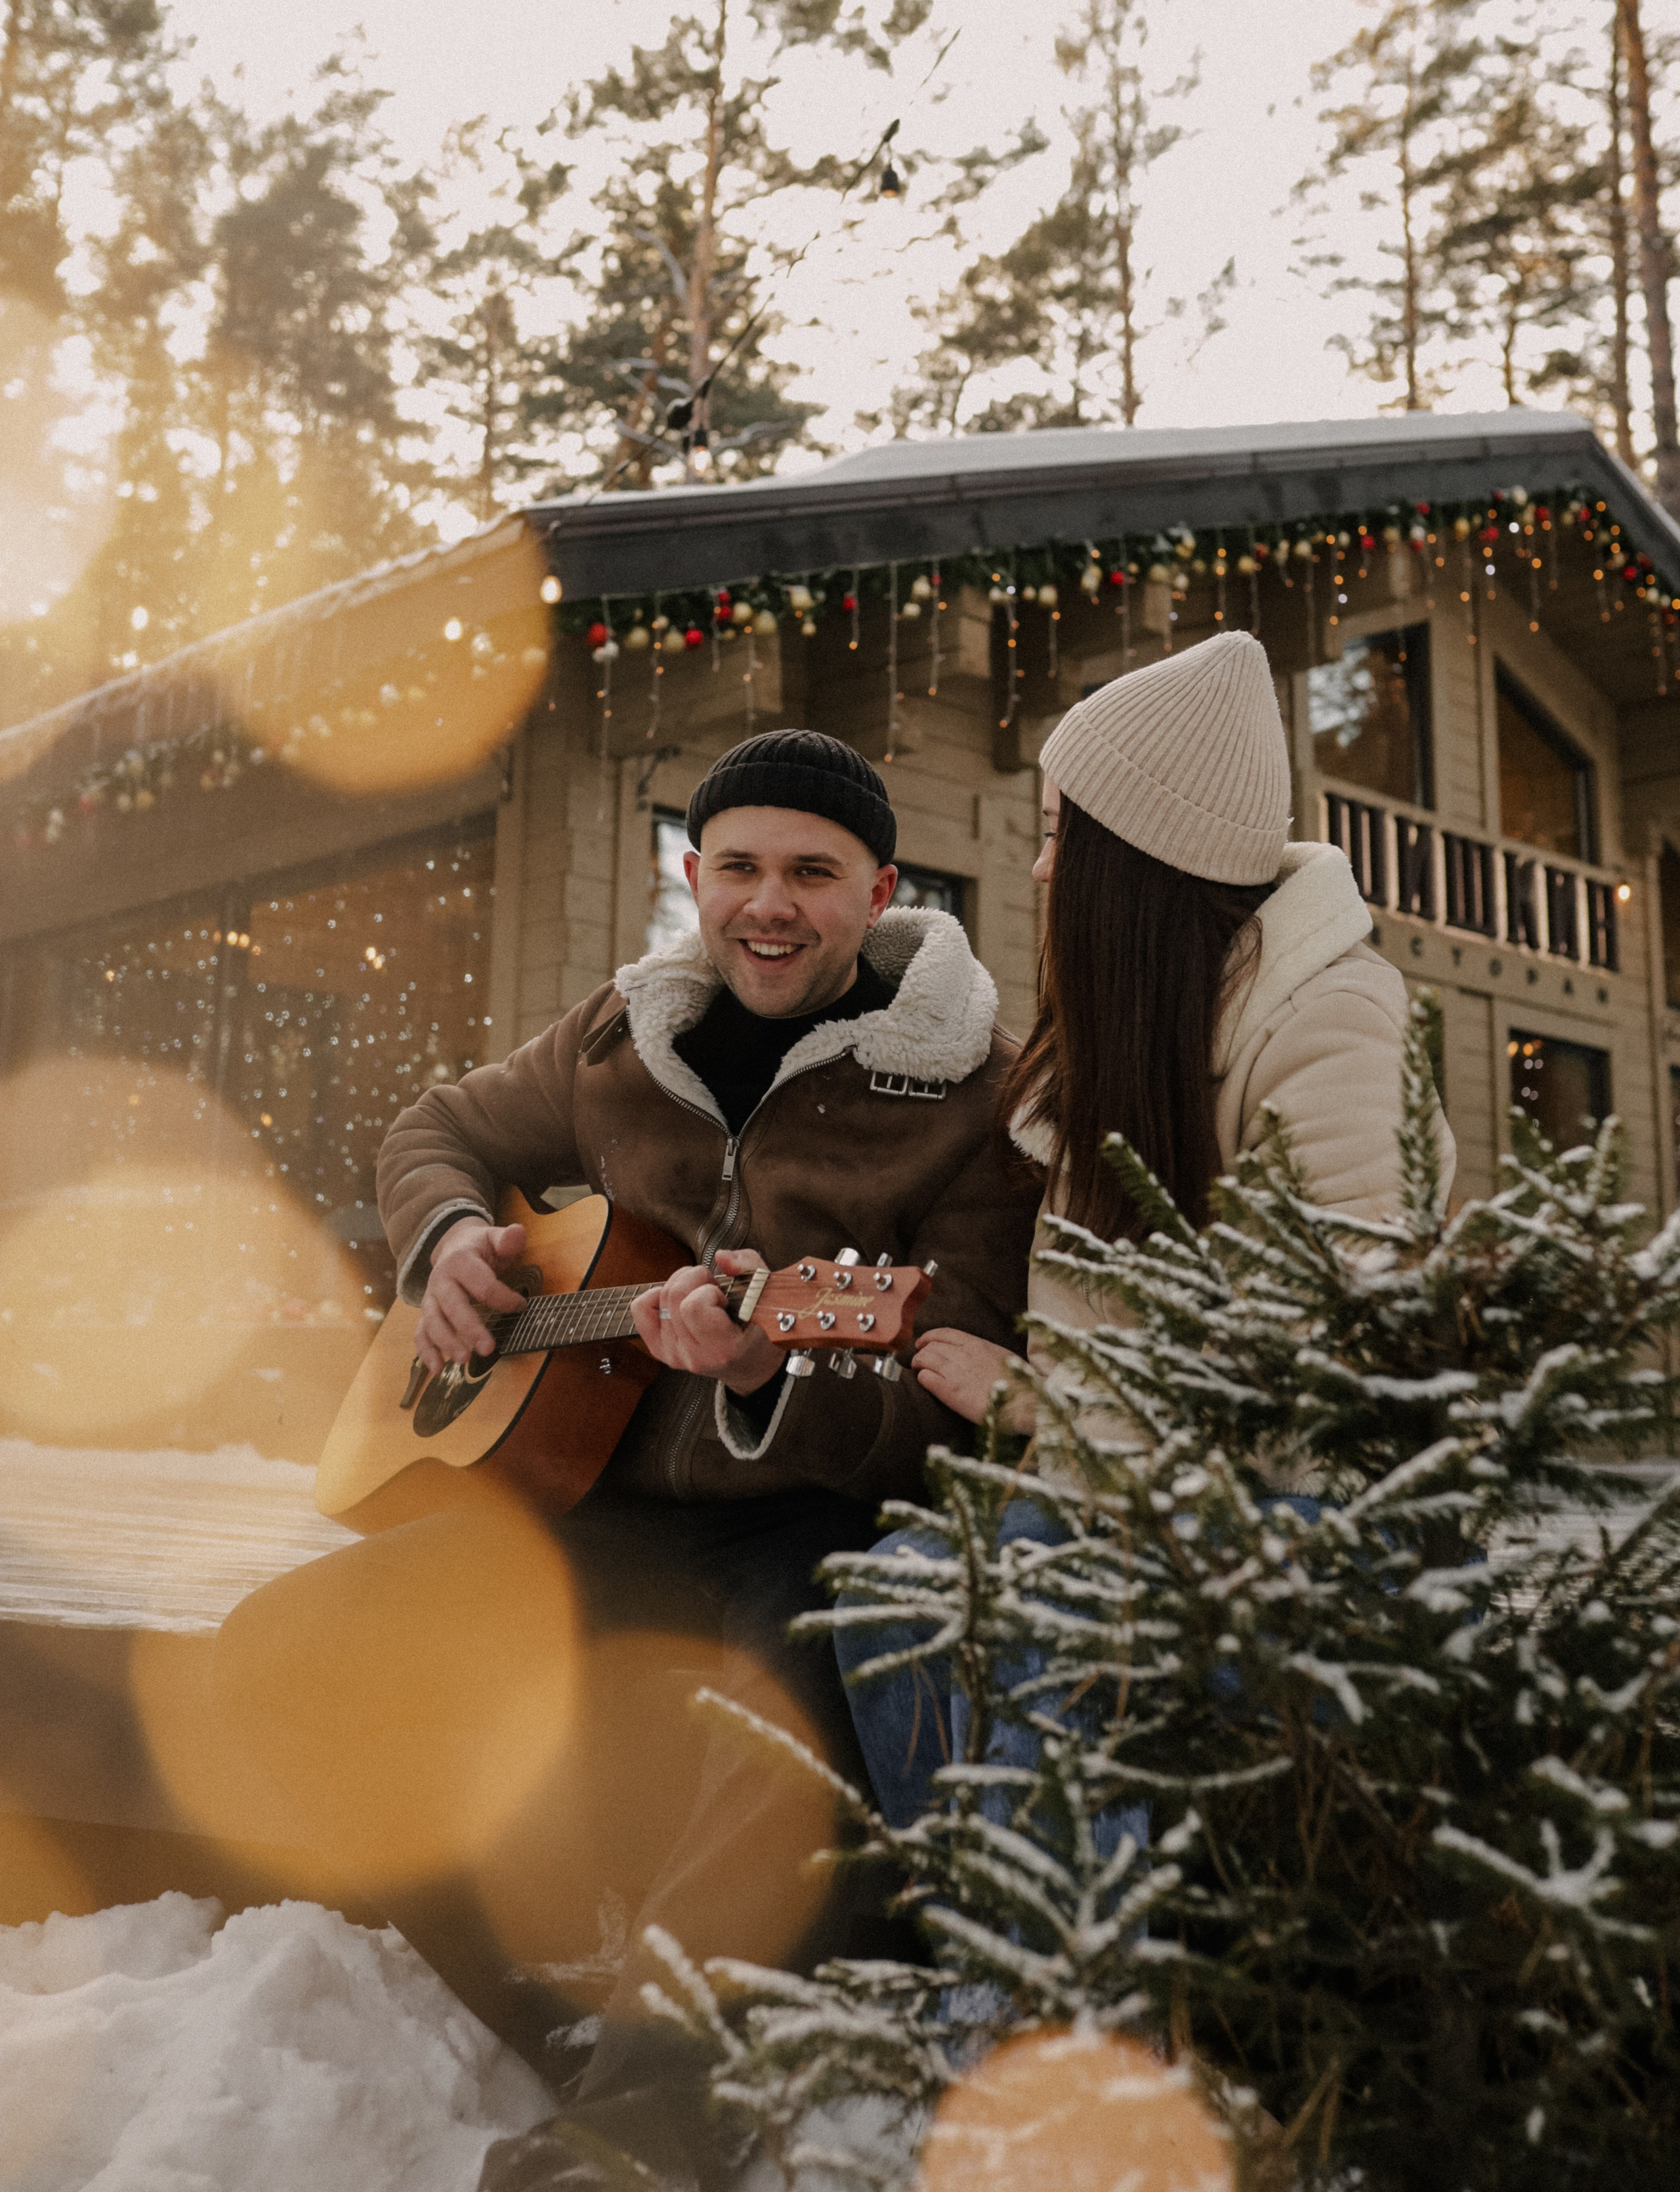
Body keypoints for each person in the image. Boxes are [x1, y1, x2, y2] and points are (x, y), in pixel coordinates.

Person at [212, 728, 1037, 2178]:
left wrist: (771, 1367)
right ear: (693, 876)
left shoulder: (969, 1092)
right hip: (583, 1505)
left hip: (811, 1517)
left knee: (792, 1722)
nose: (766, 906)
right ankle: (531, 2009)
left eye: (809, 873)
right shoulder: (620, 1035)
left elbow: (947, 1377)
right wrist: (451, 1236)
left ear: (880, 890)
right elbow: (437, 1127)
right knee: (283, 1649)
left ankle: (645, 2132)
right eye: (736, 868)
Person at [836, 628, 1458, 1830]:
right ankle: (983, 1931)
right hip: (1118, 1494)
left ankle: (1080, 1987)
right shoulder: (1136, 1029)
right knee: (891, 1599)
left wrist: (1039, 1403)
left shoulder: (1333, 1027)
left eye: (1065, 833)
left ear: (1141, 862)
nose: (1040, 870)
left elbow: (1337, 1378)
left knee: (1050, 1639)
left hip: (1294, 1524)